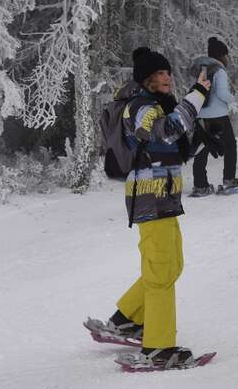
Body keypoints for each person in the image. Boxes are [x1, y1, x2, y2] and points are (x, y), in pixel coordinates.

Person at [86, 46, 210, 370]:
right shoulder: (140, 107)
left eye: (168, 72)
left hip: (163, 198)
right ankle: (158, 347)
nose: (166, 77)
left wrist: (201, 139)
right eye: (159, 73)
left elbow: (168, 147)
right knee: (161, 272)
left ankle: (127, 319)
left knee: (171, 266)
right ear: (146, 79)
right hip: (150, 198)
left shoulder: (154, 105)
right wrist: (196, 97)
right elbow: (162, 132)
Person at [191, 36, 238, 195]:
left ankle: (200, 185)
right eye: (225, 55)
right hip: (218, 115)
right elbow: (221, 93)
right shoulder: (220, 71)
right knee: (230, 145)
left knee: (202, 148)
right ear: (220, 56)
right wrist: (232, 98)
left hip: (201, 114)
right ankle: (229, 181)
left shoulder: (201, 69)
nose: (227, 58)